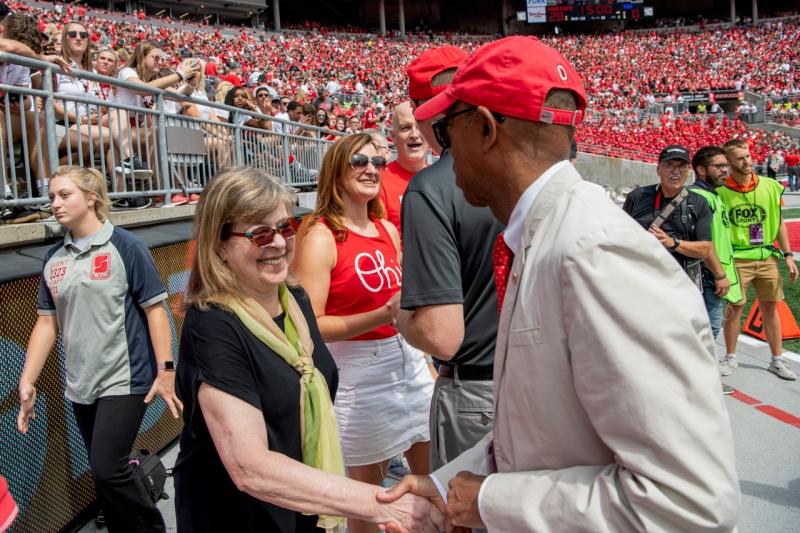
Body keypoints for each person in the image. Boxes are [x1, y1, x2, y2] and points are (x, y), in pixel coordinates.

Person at [378, 36, 738, 532]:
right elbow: (549, 422)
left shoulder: (593, 251)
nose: (441, 145)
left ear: (484, 128)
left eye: (446, 127)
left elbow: (688, 503)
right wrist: (449, 482)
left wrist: (492, 501)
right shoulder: (547, 233)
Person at [175, 167, 441, 533]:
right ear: (219, 244)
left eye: (286, 228)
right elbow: (250, 467)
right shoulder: (212, 324)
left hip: (302, 505)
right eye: (260, 233)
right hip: (239, 517)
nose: (280, 243)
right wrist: (379, 505)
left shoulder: (295, 298)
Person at [17, 166, 179, 533]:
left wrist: (165, 372)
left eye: (64, 195)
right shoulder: (54, 259)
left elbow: (156, 310)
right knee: (107, 471)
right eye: (52, 197)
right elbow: (46, 323)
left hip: (126, 377)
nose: (54, 204)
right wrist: (28, 380)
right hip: (81, 381)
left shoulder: (126, 246)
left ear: (91, 197)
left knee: (108, 468)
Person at [292, 134, 434, 533]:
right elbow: (312, 324)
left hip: (407, 360)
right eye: (359, 160)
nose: (371, 168)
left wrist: (423, 358)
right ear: (336, 170)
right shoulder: (321, 234)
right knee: (368, 499)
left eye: (378, 161)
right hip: (357, 371)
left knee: (429, 479)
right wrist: (379, 316)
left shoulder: (387, 229)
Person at [396, 46, 503, 471]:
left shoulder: (432, 187)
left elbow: (442, 336)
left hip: (475, 392)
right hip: (546, 382)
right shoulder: (524, 173)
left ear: (427, 111)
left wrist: (399, 316)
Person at [718, 138, 799, 380]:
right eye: (740, 158)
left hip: (766, 257)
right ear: (730, 163)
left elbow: (780, 223)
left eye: (748, 156)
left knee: (771, 307)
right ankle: (731, 357)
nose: (747, 161)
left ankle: (777, 359)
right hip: (736, 258)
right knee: (735, 308)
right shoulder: (720, 192)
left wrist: (788, 256)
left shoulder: (770, 186)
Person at [622, 145, 714, 291]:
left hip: (681, 281)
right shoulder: (637, 197)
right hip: (642, 277)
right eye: (669, 165)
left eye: (681, 166)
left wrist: (672, 243)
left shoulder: (699, 202)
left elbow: (704, 249)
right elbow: (621, 236)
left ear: (689, 171)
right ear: (658, 170)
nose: (676, 171)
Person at [690, 146, 743, 337]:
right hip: (708, 274)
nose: (725, 170)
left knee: (708, 329)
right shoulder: (700, 197)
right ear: (701, 170)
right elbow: (703, 242)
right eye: (718, 166)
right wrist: (718, 274)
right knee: (708, 330)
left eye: (726, 166)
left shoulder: (713, 194)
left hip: (713, 272)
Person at [378, 101, 429, 233]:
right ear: (393, 137)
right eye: (405, 128)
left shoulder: (444, 179)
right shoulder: (379, 182)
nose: (414, 134)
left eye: (419, 126)